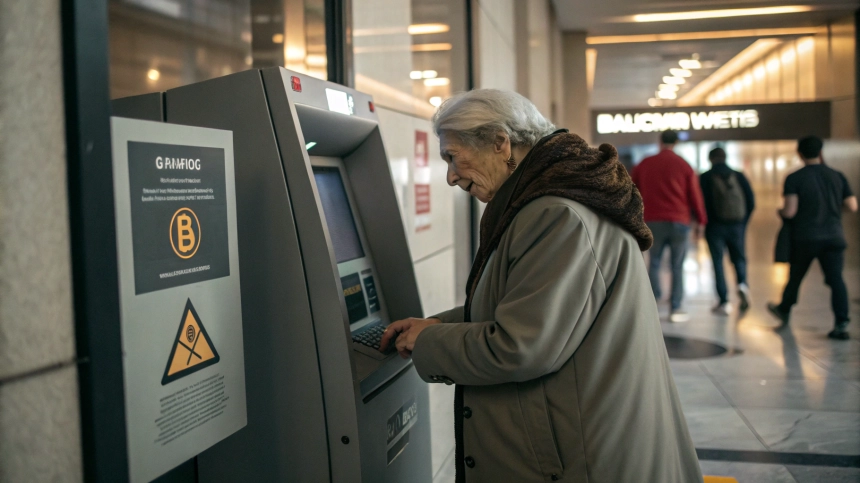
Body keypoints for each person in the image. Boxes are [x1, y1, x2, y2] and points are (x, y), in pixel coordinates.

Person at [379, 90, 702, 483]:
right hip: (589, 436)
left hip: (582, 458)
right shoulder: (556, 198)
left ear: (500, 143)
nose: (450, 176)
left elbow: (520, 347)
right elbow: (523, 304)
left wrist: (427, 343)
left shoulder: (555, 214)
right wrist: (433, 325)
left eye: (452, 156)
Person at [768, 136, 858, 339]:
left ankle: (784, 308)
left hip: (806, 237)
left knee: (796, 276)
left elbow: (790, 211)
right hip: (834, 236)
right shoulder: (837, 175)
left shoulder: (795, 178)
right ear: (820, 152)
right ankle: (841, 323)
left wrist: (780, 212)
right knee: (836, 280)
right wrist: (834, 210)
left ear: (799, 153)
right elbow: (852, 206)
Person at [631, 130, 707, 322]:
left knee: (654, 262)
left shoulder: (645, 164)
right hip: (679, 222)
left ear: (660, 141)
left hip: (652, 220)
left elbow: (631, 190)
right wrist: (701, 220)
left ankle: (653, 303)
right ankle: (676, 307)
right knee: (677, 265)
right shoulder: (684, 165)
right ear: (676, 143)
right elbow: (694, 195)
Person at [699, 147, 755, 315]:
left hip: (714, 226)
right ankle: (742, 284)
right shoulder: (738, 175)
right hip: (736, 225)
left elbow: (700, 202)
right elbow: (751, 201)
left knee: (717, 262)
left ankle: (723, 301)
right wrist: (742, 223)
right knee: (739, 258)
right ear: (725, 157)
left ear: (710, 159)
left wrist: (702, 222)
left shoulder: (705, 177)